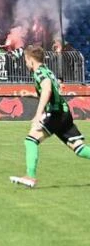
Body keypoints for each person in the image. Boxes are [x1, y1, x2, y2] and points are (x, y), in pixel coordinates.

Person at [10, 46, 90, 188]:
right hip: (63, 113)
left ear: (30, 60)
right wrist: (31, 95)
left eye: (26, 61)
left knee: (30, 140)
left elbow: (47, 89)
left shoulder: (39, 72)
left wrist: (38, 114)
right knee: (79, 148)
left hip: (55, 114)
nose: (26, 64)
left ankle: (30, 176)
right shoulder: (47, 70)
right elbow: (52, 91)